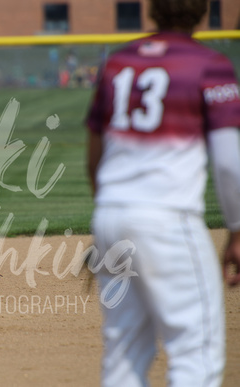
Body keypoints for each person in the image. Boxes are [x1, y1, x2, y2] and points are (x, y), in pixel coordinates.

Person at [85, 0, 240, 386]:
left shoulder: (119, 62)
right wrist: (237, 228)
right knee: (196, 353)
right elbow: (227, 163)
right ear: (203, 12)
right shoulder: (209, 63)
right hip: (167, 220)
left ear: (152, 10)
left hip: (111, 214)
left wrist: (107, 219)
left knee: (124, 353)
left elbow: (95, 151)